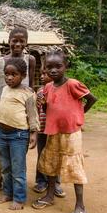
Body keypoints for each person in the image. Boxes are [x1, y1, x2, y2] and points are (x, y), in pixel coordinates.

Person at [32, 51, 97, 213]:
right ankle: (50, 195)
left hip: (71, 133)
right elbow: (47, 110)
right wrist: (42, 104)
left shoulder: (73, 84)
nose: (53, 70)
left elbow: (92, 99)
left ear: (65, 66)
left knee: (74, 166)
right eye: (49, 67)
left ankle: (80, 206)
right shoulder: (47, 87)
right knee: (52, 163)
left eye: (58, 66)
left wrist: (79, 115)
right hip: (54, 131)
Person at [0, 57, 39, 210]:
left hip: (18, 136)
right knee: (5, 166)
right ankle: (7, 193)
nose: (9, 77)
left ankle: (19, 198)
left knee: (18, 168)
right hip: (2, 134)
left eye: (13, 74)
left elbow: (33, 115)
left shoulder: (28, 93)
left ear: (23, 76)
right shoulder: (5, 89)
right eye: (6, 74)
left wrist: (33, 134)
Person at [33, 65, 66, 197]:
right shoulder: (40, 91)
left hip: (56, 130)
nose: (42, 76)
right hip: (42, 129)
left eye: (44, 74)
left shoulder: (61, 90)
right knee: (42, 155)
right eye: (41, 74)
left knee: (56, 157)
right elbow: (36, 111)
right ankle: (41, 181)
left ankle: (56, 183)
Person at [0, 27, 36, 95]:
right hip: (5, 100)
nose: (17, 44)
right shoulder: (0, 61)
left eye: (22, 41)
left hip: (23, 99)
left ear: (26, 42)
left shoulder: (30, 60)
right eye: (14, 41)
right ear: (9, 42)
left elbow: (31, 84)